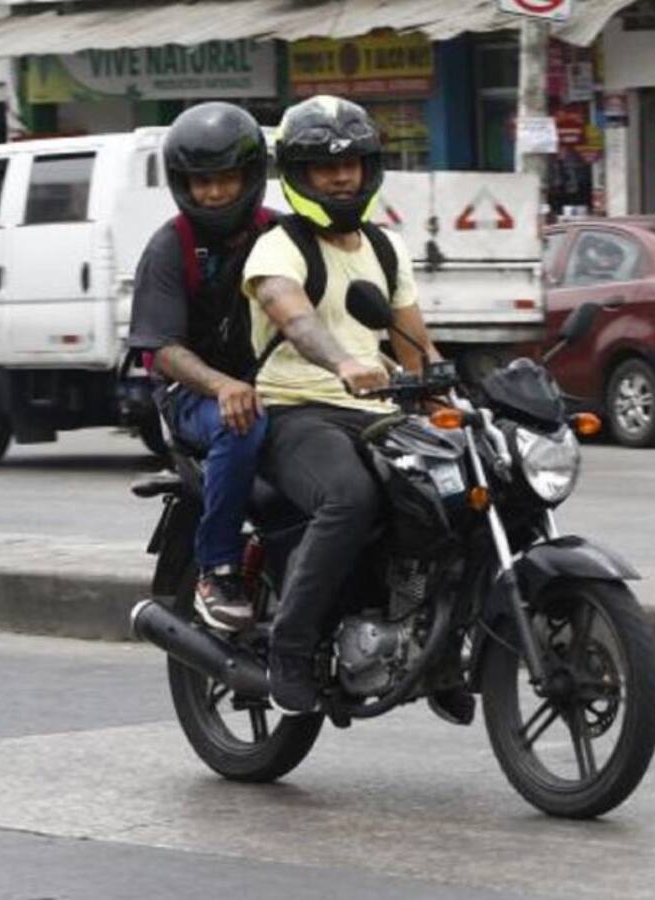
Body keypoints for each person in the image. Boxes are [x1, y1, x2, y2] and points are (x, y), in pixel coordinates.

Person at [243, 95, 466, 719]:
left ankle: (438, 643)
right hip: (294, 410)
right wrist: (342, 362)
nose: (341, 177)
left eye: (352, 164)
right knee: (349, 496)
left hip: (377, 414)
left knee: (461, 492)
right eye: (323, 167)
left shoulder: (384, 248)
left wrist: (460, 401)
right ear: (297, 174)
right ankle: (290, 647)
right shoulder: (277, 248)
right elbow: (294, 316)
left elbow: (414, 345)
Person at [128, 102, 275, 633]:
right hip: (194, 395)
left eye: (225, 179)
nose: (212, 193)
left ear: (251, 177)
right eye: (200, 181)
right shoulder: (172, 246)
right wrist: (222, 385)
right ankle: (218, 567)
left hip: (274, 383)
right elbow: (161, 347)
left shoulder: (280, 236)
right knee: (243, 420)